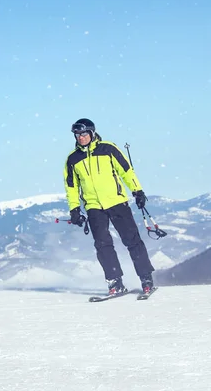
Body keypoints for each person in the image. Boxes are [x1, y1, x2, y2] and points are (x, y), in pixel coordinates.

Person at [63, 118, 155, 295]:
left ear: (91, 133)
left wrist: (137, 191)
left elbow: (126, 171)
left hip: (117, 202)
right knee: (103, 245)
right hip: (94, 207)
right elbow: (71, 187)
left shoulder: (108, 149)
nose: (81, 137)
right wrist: (74, 209)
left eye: (84, 133)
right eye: (77, 134)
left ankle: (146, 278)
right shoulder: (72, 159)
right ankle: (115, 282)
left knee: (132, 240)